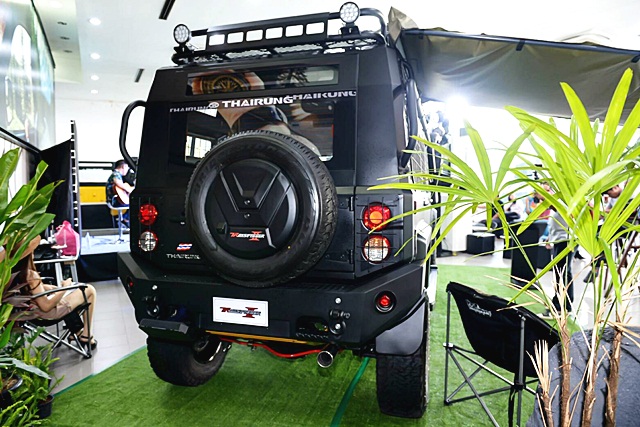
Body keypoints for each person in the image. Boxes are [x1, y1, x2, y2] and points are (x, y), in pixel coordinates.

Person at [12, 236, 98, 349]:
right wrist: (64, 288)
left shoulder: (13, 273)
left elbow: (32, 290)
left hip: (29, 312)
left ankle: (77, 331)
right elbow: (46, 306)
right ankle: (86, 336)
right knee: (89, 290)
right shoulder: (30, 275)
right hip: (45, 314)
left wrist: (51, 288)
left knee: (72, 294)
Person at [545, 207, 574, 314]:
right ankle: (561, 303)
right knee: (560, 272)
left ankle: (562, 306)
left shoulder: (564, 205)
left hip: (566, 240)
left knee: (562, 273)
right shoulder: (557, 209)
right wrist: (550, 238)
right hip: (560, 240)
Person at [106, 159, 134, 225]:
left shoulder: (116, 174)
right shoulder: (116, 174)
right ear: (123, 167)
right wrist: (130, 190)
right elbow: (118, 183)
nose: (127, 171)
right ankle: (125, 219)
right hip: (114, 201)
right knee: (135, 204)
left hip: (115, 200)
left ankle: (125, 218)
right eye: (127, 168)